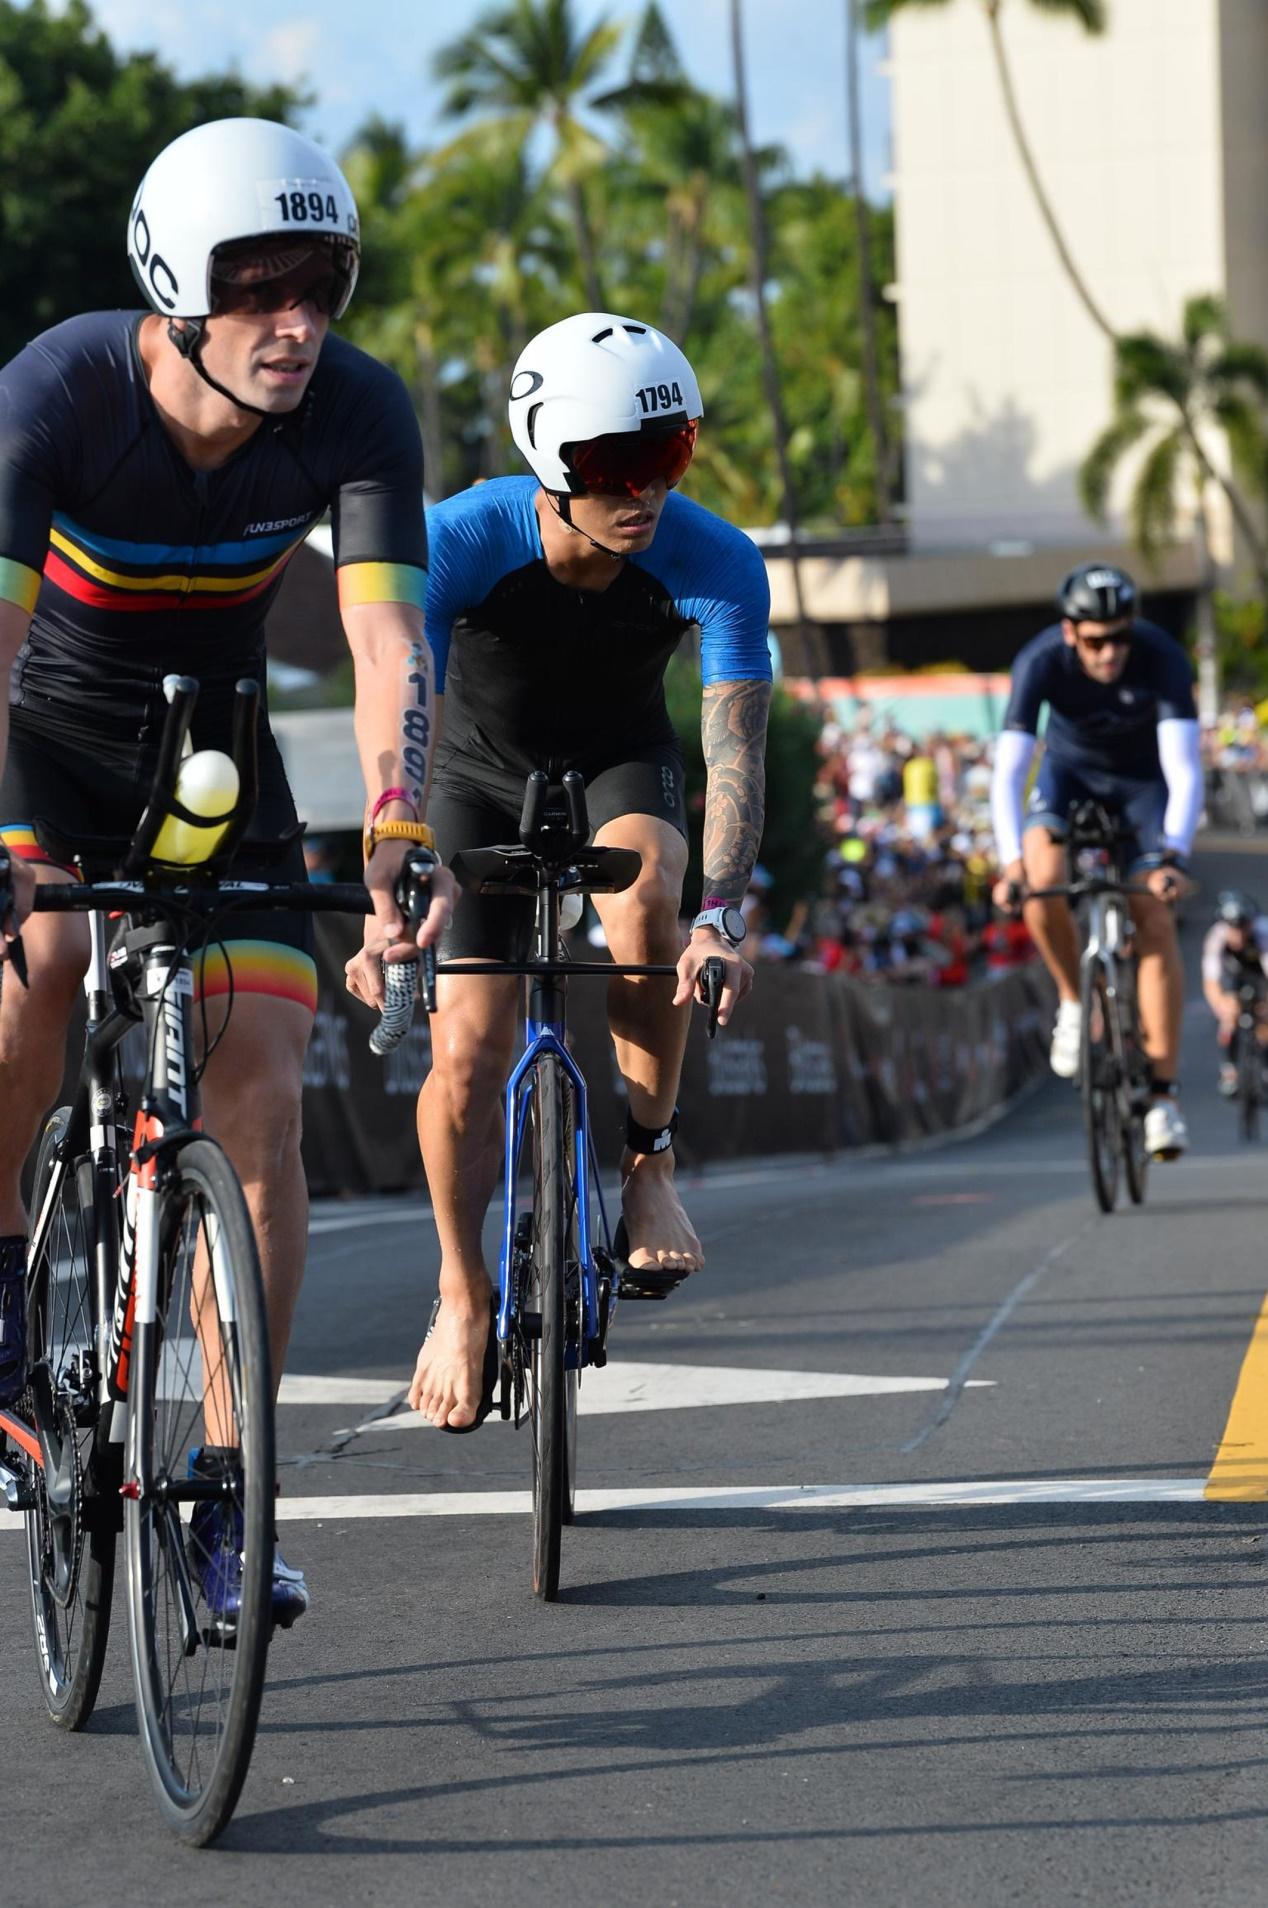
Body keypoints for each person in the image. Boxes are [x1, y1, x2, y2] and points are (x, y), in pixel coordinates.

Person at [0, 117, 449, 1624]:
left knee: (259, 1083)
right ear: (174, 287)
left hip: (217, 750)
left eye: (321, 282)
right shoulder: (60, 388)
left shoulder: (359, 410)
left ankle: (224, 1491)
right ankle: (7, 1310)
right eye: (257, 286)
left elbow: (387, 639)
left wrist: (399, 819)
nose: (295, 320)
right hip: (46, 741)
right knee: (46, 967)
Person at [345, 311, 771, 1432]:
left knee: (650, 900)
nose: (643, 491)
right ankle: (458, 1290)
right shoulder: (460, 540)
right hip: (473, 776)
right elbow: (403, 713)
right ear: (546, 461)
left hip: (621, 762)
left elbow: (733, 752)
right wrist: (386, 886)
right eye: (611, 467)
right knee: (469, 1048)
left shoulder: (713, 557)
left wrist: (718, 916)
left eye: (667, 456)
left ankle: (645, 1158)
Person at [989, 562, 1201, 1160]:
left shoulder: (1161, 656)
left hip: (1142, 789)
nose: (1110, 652)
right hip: (1068, 777)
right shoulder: (1039, 662)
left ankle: (1163, 1099)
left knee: (1154, 918)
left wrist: (1173, 857)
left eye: (1120, 637)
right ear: (1069, 631)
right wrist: (1009, 864)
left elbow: (1184, 770)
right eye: (1095, 640)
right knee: (1040, 881)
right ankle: (1075, 1002)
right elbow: (1009, 771)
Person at [1201, 890, 1268, 1096]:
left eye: (1242, 928)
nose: (1238, 935)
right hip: (1233, 975)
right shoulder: (1216, 937)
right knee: (1228, 1016)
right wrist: (1222, 1004)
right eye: (1233, 928)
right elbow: (1211, 981)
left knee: (1265, 1020)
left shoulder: (1263, 932)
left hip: (1260, 972)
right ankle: (1229, 1070)